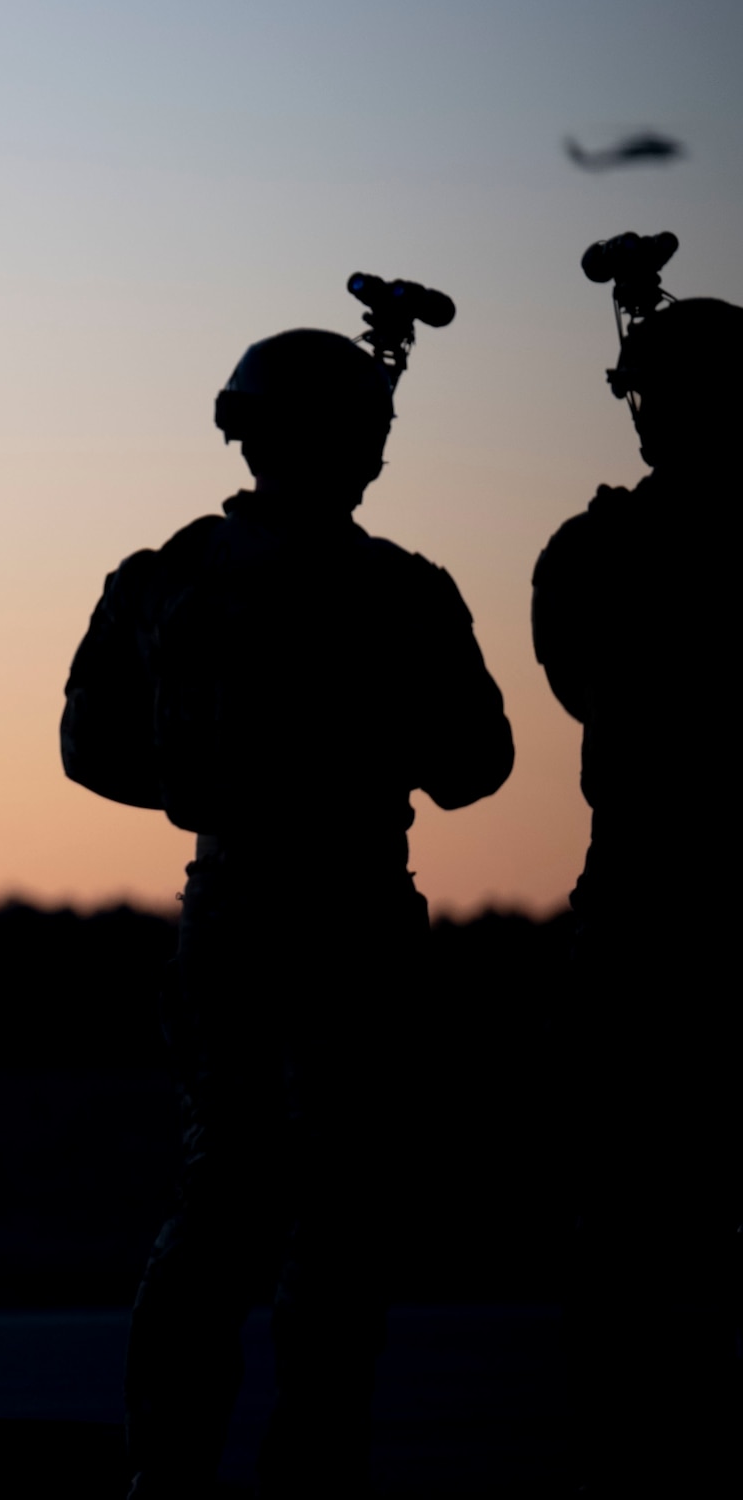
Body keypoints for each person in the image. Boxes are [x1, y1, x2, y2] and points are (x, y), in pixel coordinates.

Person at [61, 330, 513, 1496]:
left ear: (240, 432)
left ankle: (167, 1474)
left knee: (223, 1195)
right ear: (365, 449)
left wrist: (209, 779)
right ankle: (307, 1476)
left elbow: (90, 749)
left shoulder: (163, 579)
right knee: (339, 1206)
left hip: (235, 903)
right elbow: (473, 766)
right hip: (352, 905)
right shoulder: (404, 591)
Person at [532, 294, 743, 1493]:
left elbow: (577, 689)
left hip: (641, 901)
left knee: (619, 1219)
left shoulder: (590, 552)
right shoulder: (599, 551)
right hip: (670, 901)